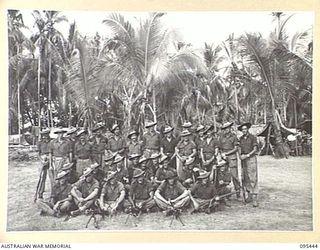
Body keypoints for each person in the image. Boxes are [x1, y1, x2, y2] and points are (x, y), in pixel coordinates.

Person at [238, 122, 259, 207]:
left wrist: (247, 155)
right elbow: (239, 148)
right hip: (243, 160)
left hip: (251, 159)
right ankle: (249, 195)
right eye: (242, 130)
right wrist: (240, 156)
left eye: (245, 129)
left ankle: (255, 198)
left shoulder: (252, 138)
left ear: (248, 129)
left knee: (253, 178)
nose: (244, 131)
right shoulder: (241, 138)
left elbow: (255, 149)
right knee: (245, 178)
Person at [218, 122, 241, 200]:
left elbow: (236, 148)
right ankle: (226, 194)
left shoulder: (234, 136)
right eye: (225, 129)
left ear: (230, 128)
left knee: (234, 176)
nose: (226, 130)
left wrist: (227, 153)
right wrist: (221, 154)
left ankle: (238, 193)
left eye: (227, 128)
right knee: (223, 175)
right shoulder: (221, 137)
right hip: (224, 158)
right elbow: (220, 147)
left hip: (232, 157)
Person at [49, 128, 72, 192]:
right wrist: (50, 165)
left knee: (66, 174)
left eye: (62, 133)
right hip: (57, 160)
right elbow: (50, 153)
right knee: (58, 176)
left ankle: (66, 191)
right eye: (59, 133)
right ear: (57, 134)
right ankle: (56, 191)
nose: (60, 135)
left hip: (65, 160)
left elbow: (70, 152)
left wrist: (70, 161)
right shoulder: (52, 142)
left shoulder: (67, 142)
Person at [36, 128, 51, 200]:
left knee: (52, 177)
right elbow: (38, 154)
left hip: (51, 159)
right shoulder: (40, 142)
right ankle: (40, 193)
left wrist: (49, 160)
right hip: (42, 159)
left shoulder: (52, 141)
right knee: (42, 178)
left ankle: (54, 194)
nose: (45, 136)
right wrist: (42, 161)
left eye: (46, 134)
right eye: (44, 135)